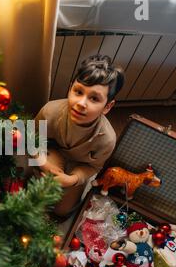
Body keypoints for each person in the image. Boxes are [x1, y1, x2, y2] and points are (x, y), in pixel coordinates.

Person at [33, 54, 124, 218]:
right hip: (53, 150)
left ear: (107, 106)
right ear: (70, 89)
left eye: (94, 98)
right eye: (78, 92)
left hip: (80, 165)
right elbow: (31, 140)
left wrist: (73, 179)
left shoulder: (107, 139)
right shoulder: (50, 111)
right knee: (42, 194)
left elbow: (94, 167)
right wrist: (43, 163)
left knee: (62, 211)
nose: (81, 103)